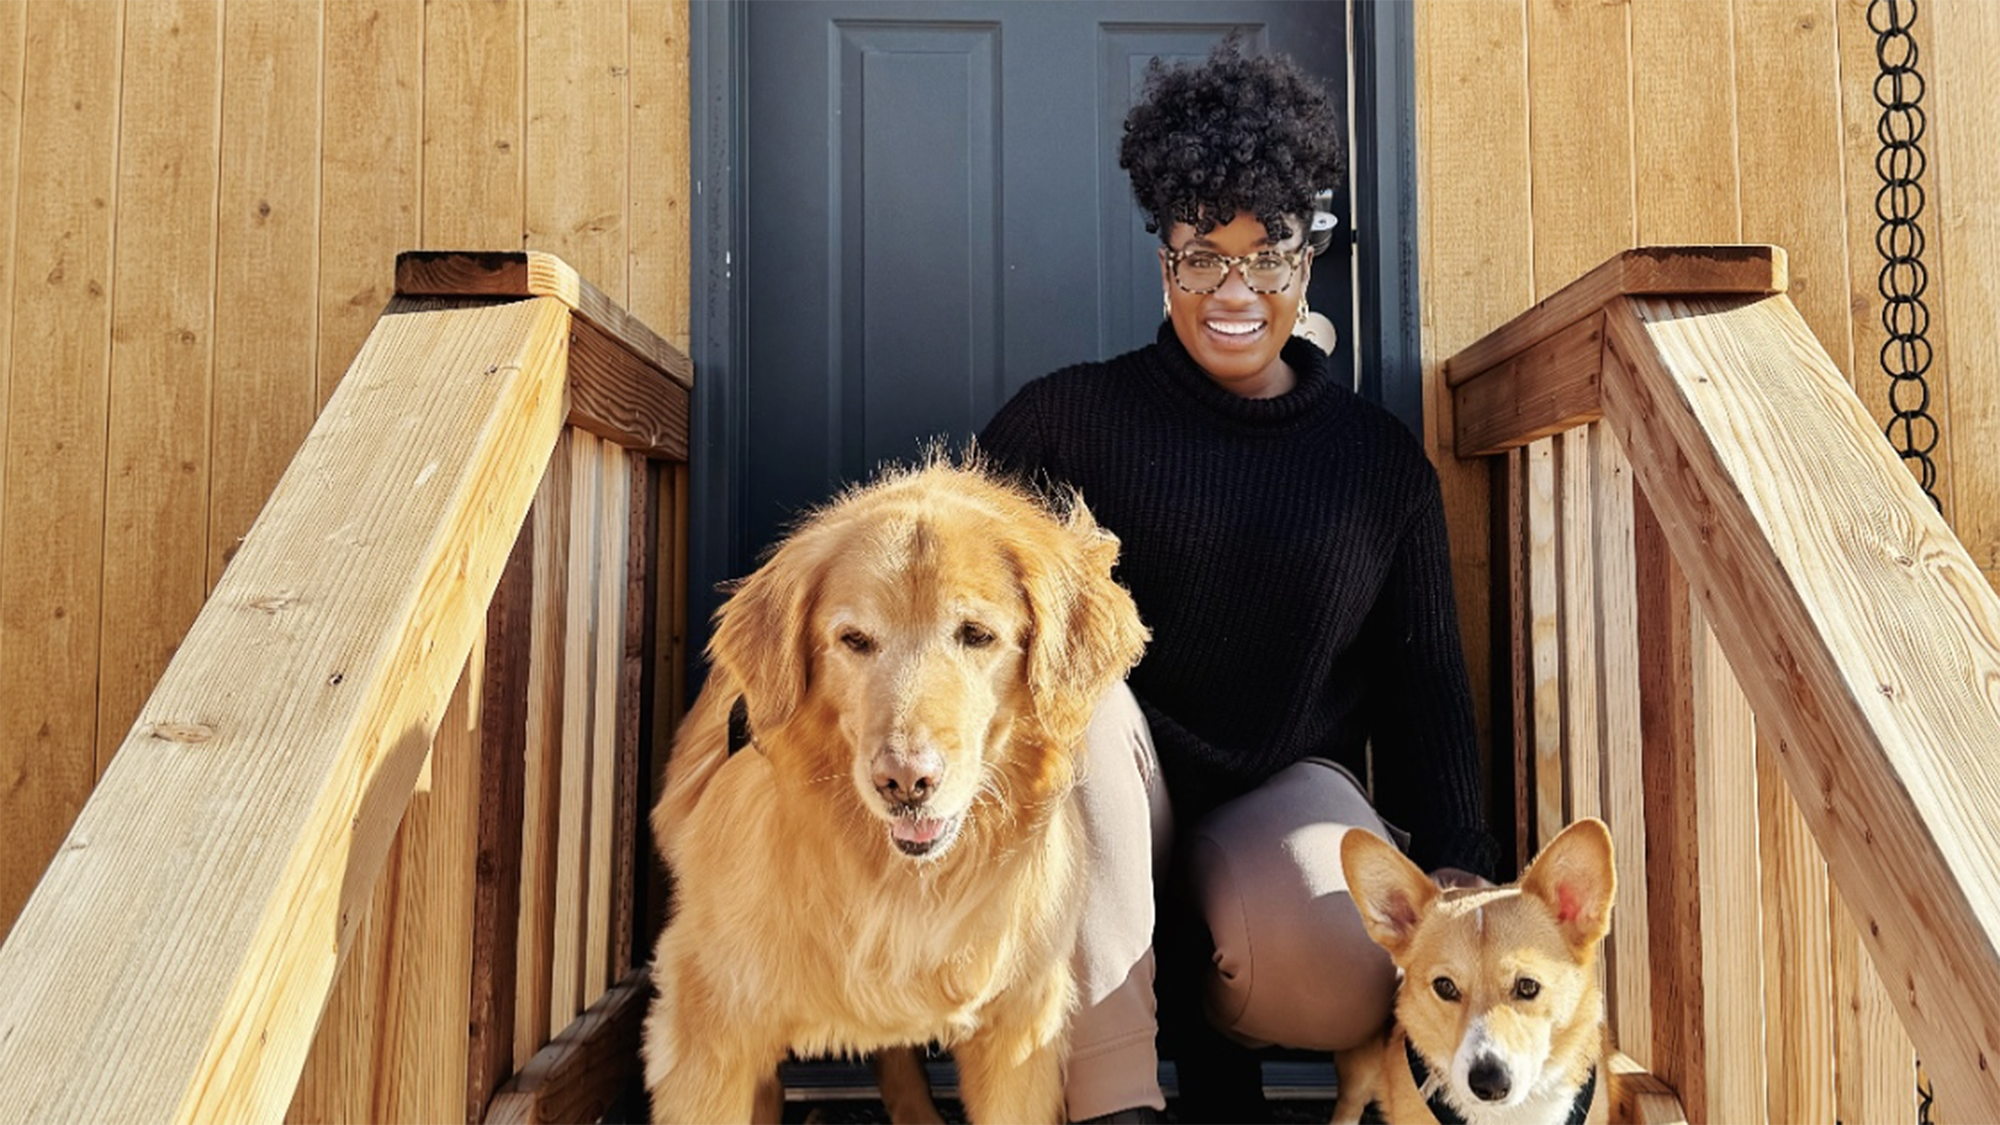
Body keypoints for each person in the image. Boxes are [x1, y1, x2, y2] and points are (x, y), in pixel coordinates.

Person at [977, 39, 1497, 1125]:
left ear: (1307, 257)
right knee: (1084, 693)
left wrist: (1459, 869)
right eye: (1202, 256)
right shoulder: (1065, 423)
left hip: (1273, 798)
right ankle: (1117, 1101)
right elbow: (943, 590)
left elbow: (1425, 692)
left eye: (1267, 257)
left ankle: (1213, 1008)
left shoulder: (1375, 465)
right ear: (1162, 255)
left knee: (1342, 955)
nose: (1234, 290)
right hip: (1101, 791)